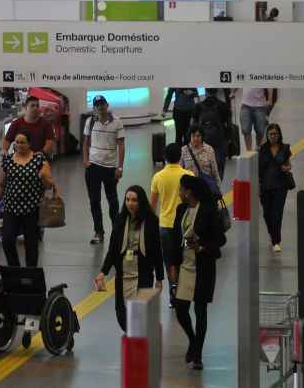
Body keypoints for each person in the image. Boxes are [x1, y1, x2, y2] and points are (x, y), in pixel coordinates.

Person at [168, 175, 227, 370]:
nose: (179, 192)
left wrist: (202, 247)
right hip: (185, 265)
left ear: (189, 192)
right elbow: (176, 238)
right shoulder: (181, 209)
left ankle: (198, 354)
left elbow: (221, 239)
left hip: (203, 266)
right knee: (180, 307)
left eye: (180, 189)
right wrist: (172, 266)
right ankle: (193, 340)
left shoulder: (209, 210)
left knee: (200, 312)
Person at [95, 186, 164, 332]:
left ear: (141, 202)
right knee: (121, 314)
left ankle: (138, 339)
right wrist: (103, 272)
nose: (130, 203)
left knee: (140, 312)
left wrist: (159, 278)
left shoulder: (151, 221)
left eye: (134, 200)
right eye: (127, 200)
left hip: (144, 271)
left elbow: (157, 251)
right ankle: (132, 334)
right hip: (123, 272)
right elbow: (113, 250)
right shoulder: (120, 220)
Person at [0, 132, 56, 267]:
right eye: (17, 142)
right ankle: (15, 268)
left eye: (23, 142)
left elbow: (49, 184)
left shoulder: (39, 159)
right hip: (11, 207)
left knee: (31, 243)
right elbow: (0, 184)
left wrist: (43, 177)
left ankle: (31, 272)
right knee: (7, 240)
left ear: (29, 144)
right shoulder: (7, 160)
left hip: (31, 208)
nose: (19, 145)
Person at [150, 143, 193, 306]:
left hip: (165, 225)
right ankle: (184, 293)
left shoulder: (158, 177)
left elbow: (152, 206)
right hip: (185, 225)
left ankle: (173, 293)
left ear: (165, 158)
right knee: (184, 259)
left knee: (169, 262)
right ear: (180, 157)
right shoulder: (188, 175)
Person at [83, 95, 126, 244]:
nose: (100, 107)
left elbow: (121, 145)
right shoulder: (90, 121)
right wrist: (85, 160)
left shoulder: (117, 122)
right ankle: (98, 232)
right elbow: (85, 142)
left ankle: (116, 231)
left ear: (107, 105)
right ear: (94, 107)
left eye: (102, 104)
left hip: (110, 168)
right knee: (94, 201)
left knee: (112, 200)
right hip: (93, 167)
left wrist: (120, 167)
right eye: (97, 105)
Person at [258, 124, 292, 253]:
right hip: (265, 187)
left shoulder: (285, 148)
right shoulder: (262, 150)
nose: (273, 136)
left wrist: (286, 168)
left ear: (279, 135)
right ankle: (273, 235)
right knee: (267, 214)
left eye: (275, 134)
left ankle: (276, 241)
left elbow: (289, 164)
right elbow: (258, 170)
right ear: (267, 135)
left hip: (280, 186)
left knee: (277, 214)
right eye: (271, 134)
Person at [192, 88, 230, 179]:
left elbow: (193, 126)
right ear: (216, 92)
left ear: (205, 91)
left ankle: (205, 189)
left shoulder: (198, 106)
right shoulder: (223, 106)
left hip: (202, 141)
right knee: (219, 166)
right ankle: (217, 188)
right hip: (219, 141)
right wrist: (228, 139)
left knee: (202, 166)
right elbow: (228, 125)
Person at [181, 125, 222, 198]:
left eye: (198, 136)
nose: (196, 139)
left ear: (202, 136)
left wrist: (218, 191)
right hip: (190, 192)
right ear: (189, 137)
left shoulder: (209, 150)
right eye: (193, 136)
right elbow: (180, 171)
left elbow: (215, 172)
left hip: (206, 190)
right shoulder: (184, 150)